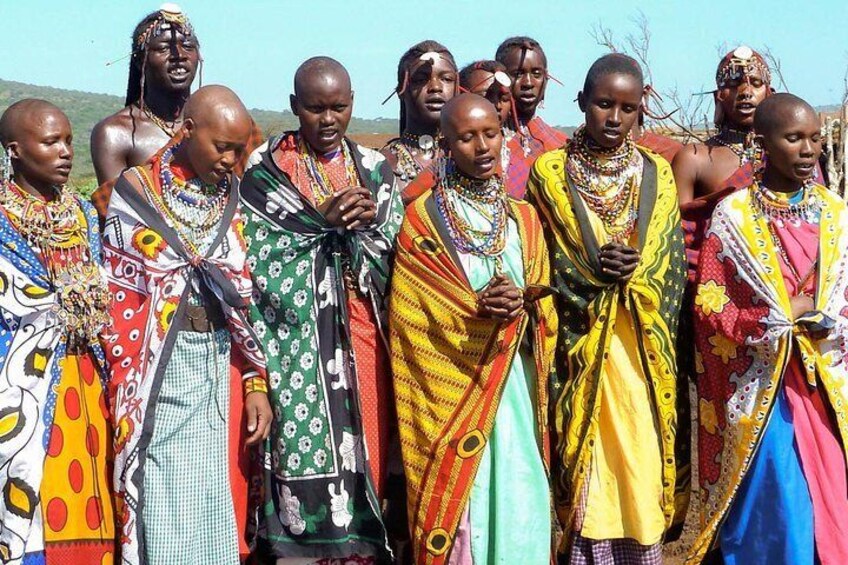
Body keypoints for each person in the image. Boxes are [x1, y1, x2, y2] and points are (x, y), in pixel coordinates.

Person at [239, 57, 404, 564]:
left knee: (370, 457)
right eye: (315, 109)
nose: (328, 120)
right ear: (295, 107)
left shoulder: (375, 169)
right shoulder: (266, 171)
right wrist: (319, 228)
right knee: (301, 460)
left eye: (340, 107)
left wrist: (369, 230)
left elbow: (400, 252)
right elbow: (254, 257)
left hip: (366, 337)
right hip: (300, 351)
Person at [101, 85, 272, 565]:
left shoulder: (236, 198)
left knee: (215, 495)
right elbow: (122, 294)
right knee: (160, 489)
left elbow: (247, 302)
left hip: (220, 363)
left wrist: (256, 381)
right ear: (188, 131)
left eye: (239, 149)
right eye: (222, 147)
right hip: (158, 369)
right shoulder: (136, 194)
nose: (230, 158)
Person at [526, 54, 687, 563]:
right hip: (579, 349)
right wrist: (592, 270)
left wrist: (636, 269)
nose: (615, 118)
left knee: (637, 457)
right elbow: (540, 258)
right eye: (603, 104)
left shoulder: (656, 172)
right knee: (588, 468)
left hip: (640, 351)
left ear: (641, 111)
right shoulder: (549, 174)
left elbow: (670, 262)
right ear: (581, 102)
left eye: (628, 108)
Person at [389, 93, 558, 565]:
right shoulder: (424, 218)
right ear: (445, 145)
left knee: (520, 492)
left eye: (491, 134)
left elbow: (545, 304)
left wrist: (524, 306)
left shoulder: (523, 217)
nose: (482, 146)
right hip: (455, 394)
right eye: (466, 137)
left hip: (515, 392)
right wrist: (476, 311)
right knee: (471, 507)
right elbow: (412, 319)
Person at [689, 94, 848, 565]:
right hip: (764, 390)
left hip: (826, 384)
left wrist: (830, 322)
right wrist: (779, 315)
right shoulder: (734, 216)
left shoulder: (837, 215)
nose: (807, 150)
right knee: (782, 505)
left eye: (815, 139)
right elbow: (712, 309)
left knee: (832, 505)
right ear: (761, 142)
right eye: (793, 138)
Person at [0, 100, 115, 564]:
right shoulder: (3, 223)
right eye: (52, 142)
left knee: (95, 499)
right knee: (35, 505)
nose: (66, 151)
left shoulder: (85, 218)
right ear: (15, 151)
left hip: (88, 382)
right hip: (21, 390)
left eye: (68, 140)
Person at [90, 4, 262, 222]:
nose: (179, 55)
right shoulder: (116, 133)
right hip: (151, 250)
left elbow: (257, 197)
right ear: (139, 59)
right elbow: (117, 213)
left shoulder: (227, 124)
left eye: (188, 46)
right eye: (163, 49)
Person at [381, 41, 458, 203]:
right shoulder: (382, 165)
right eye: (420, 80)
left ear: (457, 89)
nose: (435, 87)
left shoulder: (471, 158)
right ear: (401, 91)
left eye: (446, 79)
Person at [495, 36, 568, 198]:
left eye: (536, 73)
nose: (528, 82)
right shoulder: (486, 141)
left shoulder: (561, 144)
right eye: (518, 74)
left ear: (546, 79)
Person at [458, 60, 518, 192]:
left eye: (504, 98)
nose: (497, 105)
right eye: (486, 96)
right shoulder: (442, 154)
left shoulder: (523, 155)